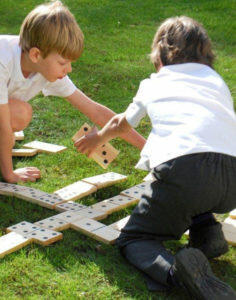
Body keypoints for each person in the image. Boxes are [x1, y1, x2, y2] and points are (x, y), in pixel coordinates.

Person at [75, 16, 236, 298]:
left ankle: (177, 275)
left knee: (135, 239)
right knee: (201, 186)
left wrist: (96, 139)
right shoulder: (216, 81)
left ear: (160, 56)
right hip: (232, 176)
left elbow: (121, 124)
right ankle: (208, 234)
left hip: (186, 172)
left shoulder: (155, 83)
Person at [0, 1, 145, 183]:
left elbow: (95, 111)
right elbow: (1, 124)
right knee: (17, 114)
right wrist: (10, 175)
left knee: (17, 117)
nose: (69, 69)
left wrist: (147, 148)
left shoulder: (45, 67)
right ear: (36, 54)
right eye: (63, 62)